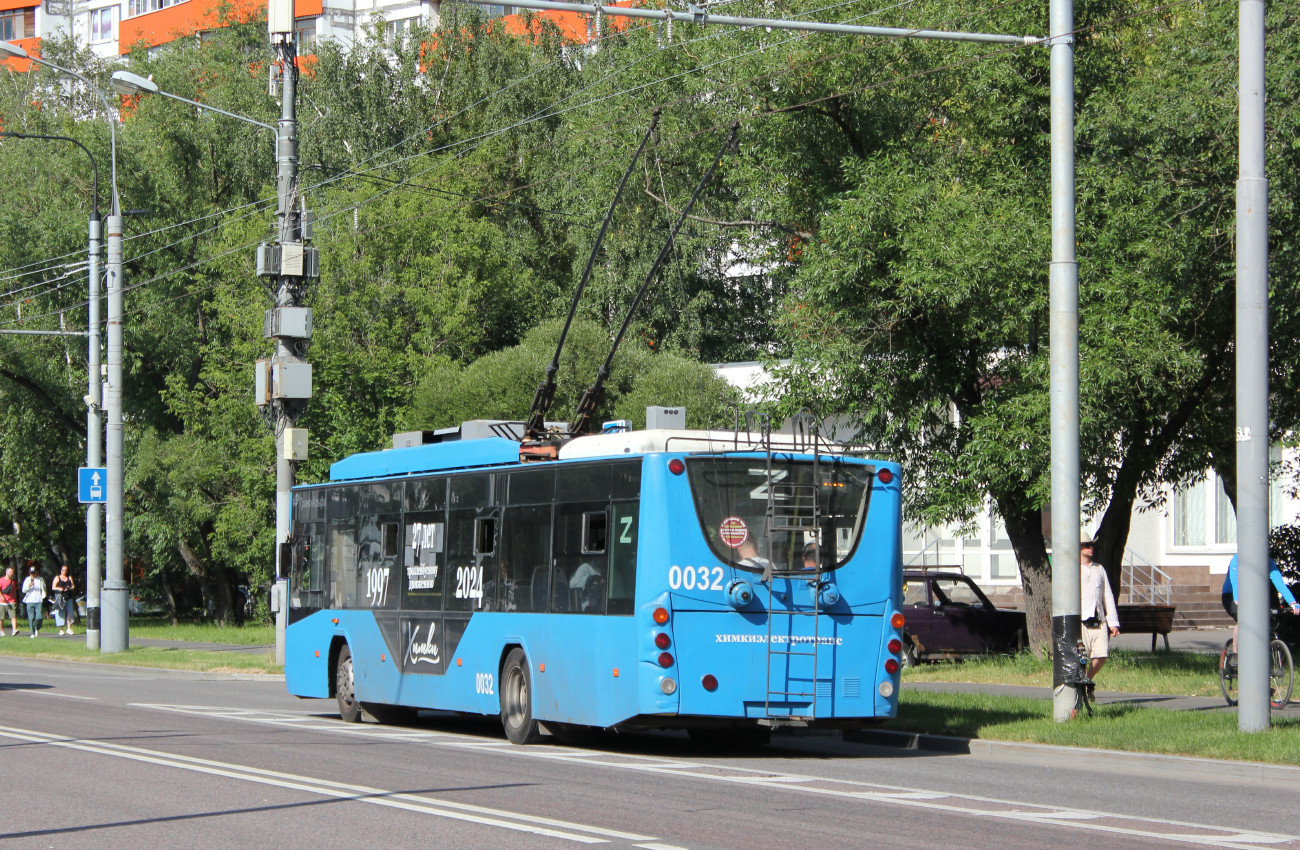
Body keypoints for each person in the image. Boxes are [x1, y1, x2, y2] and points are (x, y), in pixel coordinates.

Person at [1220, 553, 1299, 652]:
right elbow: (1235, 580)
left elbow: (1279, 583)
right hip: (1231, 595)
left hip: (1253, 596)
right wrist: (1237, 598)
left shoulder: (1268, 561)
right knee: (1244, 620)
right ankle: (1236, 654)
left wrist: (1292, 602)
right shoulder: (1237, 560)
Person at [1079, 539, 1120, 679]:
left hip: (1099, 619)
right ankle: (1081, 683)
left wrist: (1113, 622)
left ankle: (1087, 680)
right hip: (1081, 620)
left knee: (1102, 655)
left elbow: (1107, 595)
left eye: (1092, 545)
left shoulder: (1099, 569)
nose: (1091, 548)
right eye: (1087, 545)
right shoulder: (1073, 569)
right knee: (1081, 657)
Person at [21, 565, 46, 638]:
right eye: (31, 573)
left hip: (38, 601)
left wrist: (44, 595)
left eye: (34, 573)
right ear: (29, 573)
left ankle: (37, 628)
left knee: (39, 617)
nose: (33, 575)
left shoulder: (40, 579)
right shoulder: (27, 580)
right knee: (31, 618)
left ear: (37, 573)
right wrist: (29, 586)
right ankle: (32, 633)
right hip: (30, 601)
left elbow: (44, 588)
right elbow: (23, 590)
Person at [51, 564, 76, 636]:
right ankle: (61, 629)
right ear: (61, 570)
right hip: (60, 597)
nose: (64, 571)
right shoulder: (57, 577)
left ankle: (69, 628)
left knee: (69, 612)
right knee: (60, 612)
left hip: (68, 597)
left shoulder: (69, 577)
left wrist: (69, 588)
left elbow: (73, 586)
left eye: (66, 570)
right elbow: (53, 587)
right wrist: (59, 588)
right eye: (63, 570)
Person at [0, 566, 18, 636]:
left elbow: (14, 592)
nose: (11, 574)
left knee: (13, 616)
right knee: (1, 617)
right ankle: (1, 631)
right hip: (2, 602)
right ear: (6, 572)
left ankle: (14, 630)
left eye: (12, 572)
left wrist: (15, 600)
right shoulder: (1, 580)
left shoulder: (13, 582)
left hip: (11, 601)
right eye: (10, 572)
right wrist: (2, 597)